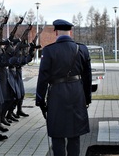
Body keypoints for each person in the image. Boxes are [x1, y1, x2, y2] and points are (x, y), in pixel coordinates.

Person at [35, 19, 92, 156]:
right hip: (77, 94)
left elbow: (43, 78)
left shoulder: (49, 50)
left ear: (56, 32)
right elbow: (87, 77)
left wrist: (40, 100)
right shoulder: (82, 49)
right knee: (75, 135)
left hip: (57, 95)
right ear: (70, 32)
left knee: (57, 135)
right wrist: (87, 99)